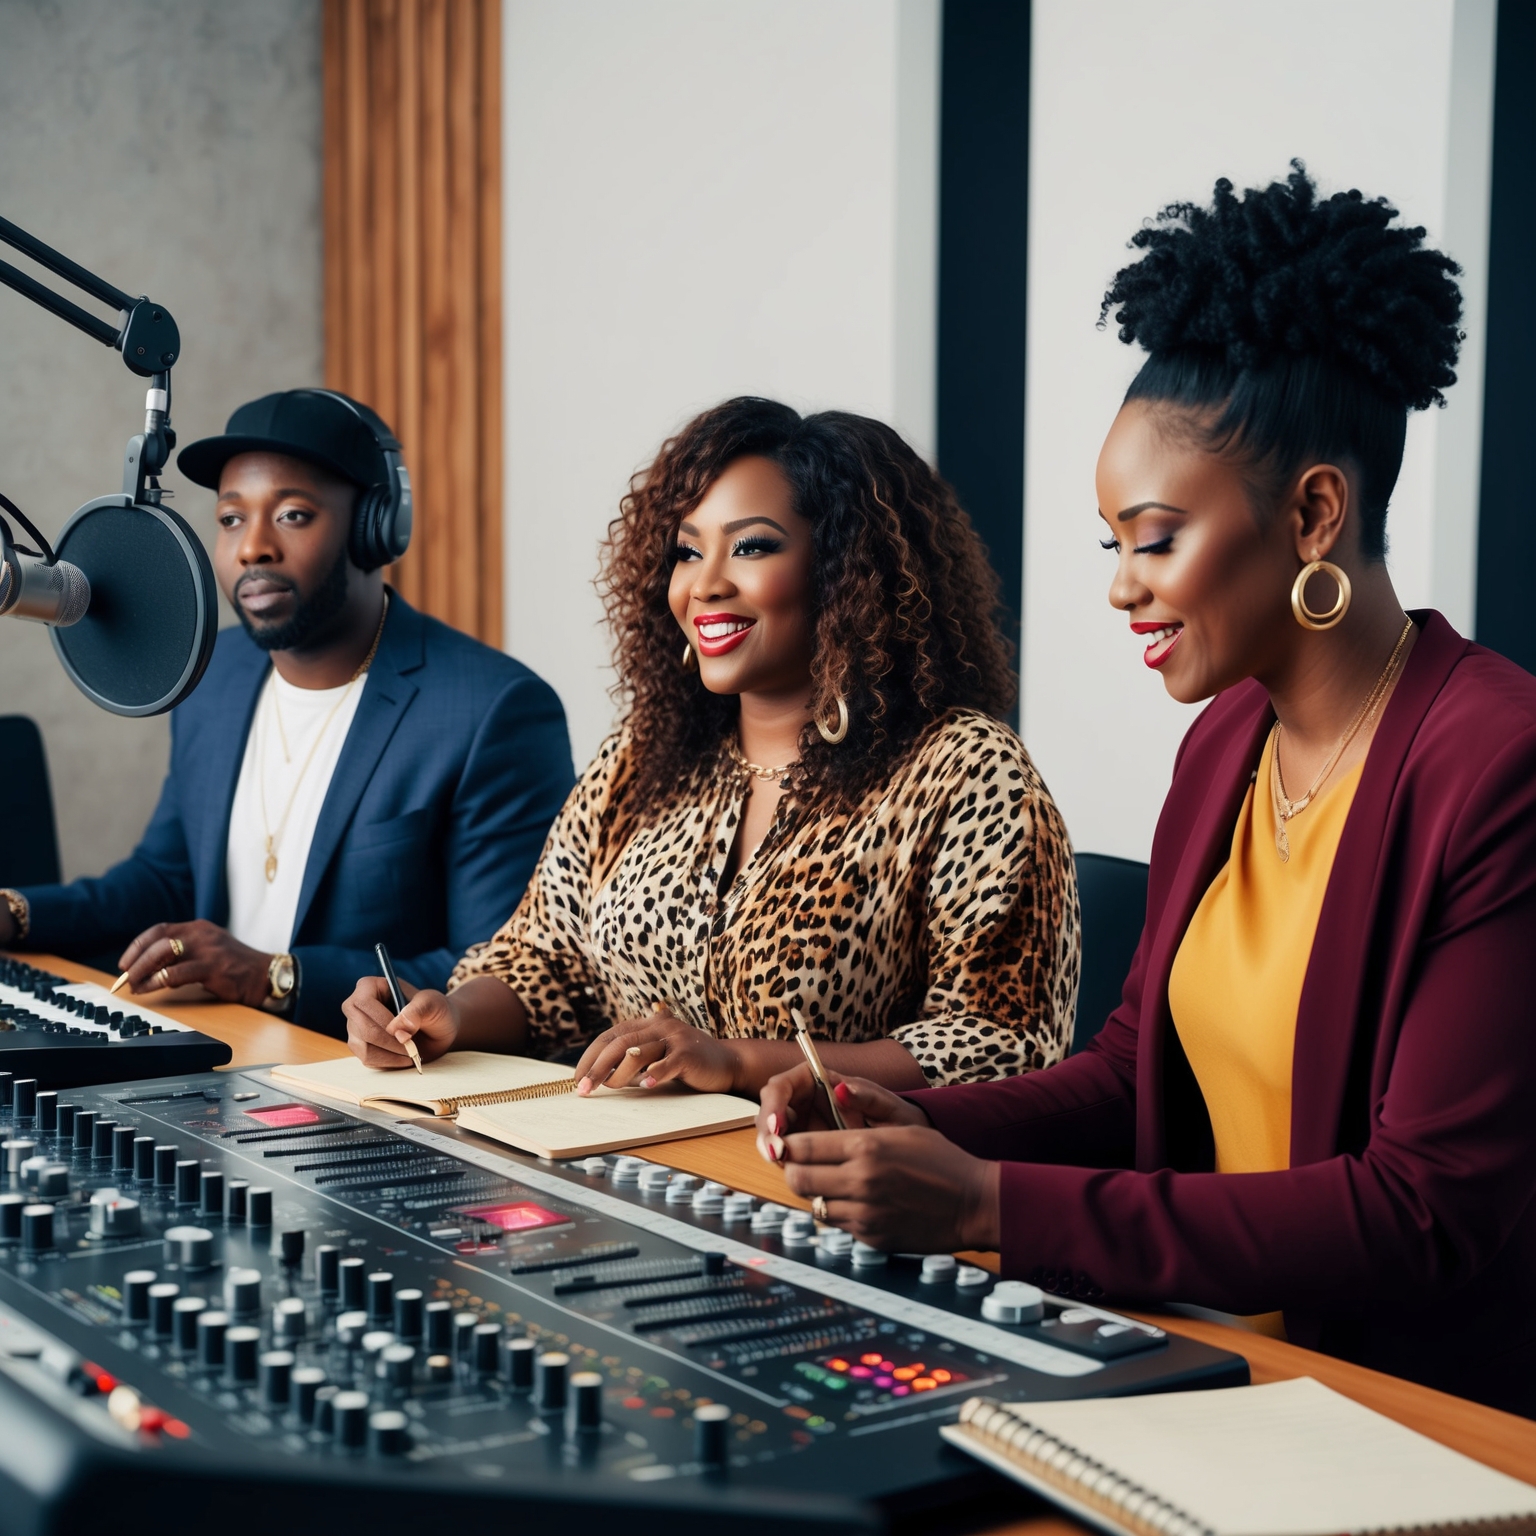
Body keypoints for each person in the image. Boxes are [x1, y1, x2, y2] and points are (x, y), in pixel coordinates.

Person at [755, 165, 1536, 1415]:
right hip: (1207, 1360)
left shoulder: (1497, 766)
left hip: (1402, 1414)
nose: (1123, 586)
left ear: (1315, 512)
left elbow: (1423, 1207)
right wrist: (906, 1109)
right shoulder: (1228, 742)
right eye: (1111, 544)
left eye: (1157, 538)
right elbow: (1136, 1074)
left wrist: (988, 1205)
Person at [342, 398, 1080, 1094]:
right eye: (688, 553)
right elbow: (548, 962)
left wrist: (739, 1063)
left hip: (840, 1191)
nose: (706, 585)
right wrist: (449, 1015)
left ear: (846, 571)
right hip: (638, 1175)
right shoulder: (640, 759)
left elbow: (1000, 1045)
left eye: (753, 547)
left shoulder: (967, 770)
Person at [0, 389, 574, 1035]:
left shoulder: (492, 711)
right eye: (230, 519)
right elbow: (164, 879)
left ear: (375, 527)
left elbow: (505, 975)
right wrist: (17, 912)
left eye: (294, 515)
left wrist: (274, 976)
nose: (253, 548)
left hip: (363, 1084)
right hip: (220, 1052)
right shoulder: (214, 671)